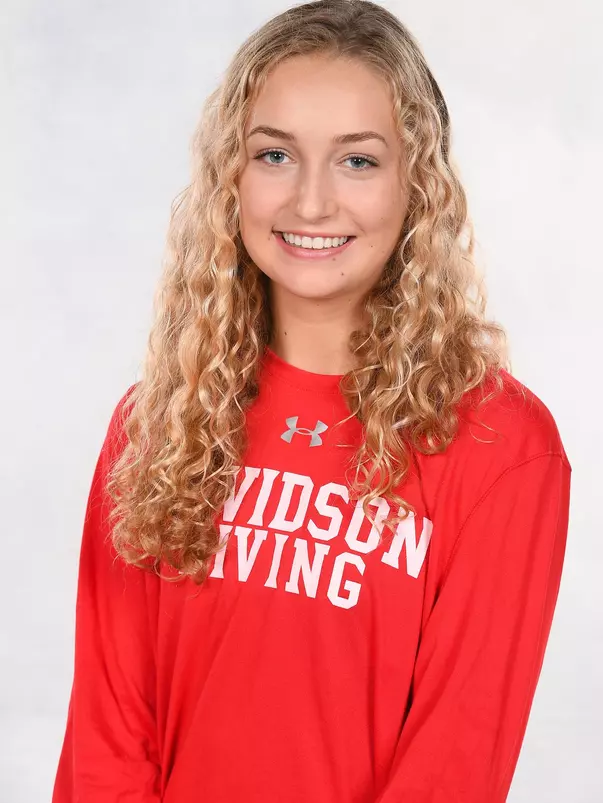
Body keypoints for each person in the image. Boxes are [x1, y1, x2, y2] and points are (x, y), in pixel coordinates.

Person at [51, 1, 572, 801]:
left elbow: (454, 764)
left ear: (418, 185)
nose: (311, 203)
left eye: (357, 161)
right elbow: (106, 741)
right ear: (231, 172)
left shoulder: (502, 445)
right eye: (274, 155)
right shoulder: (156, 420)